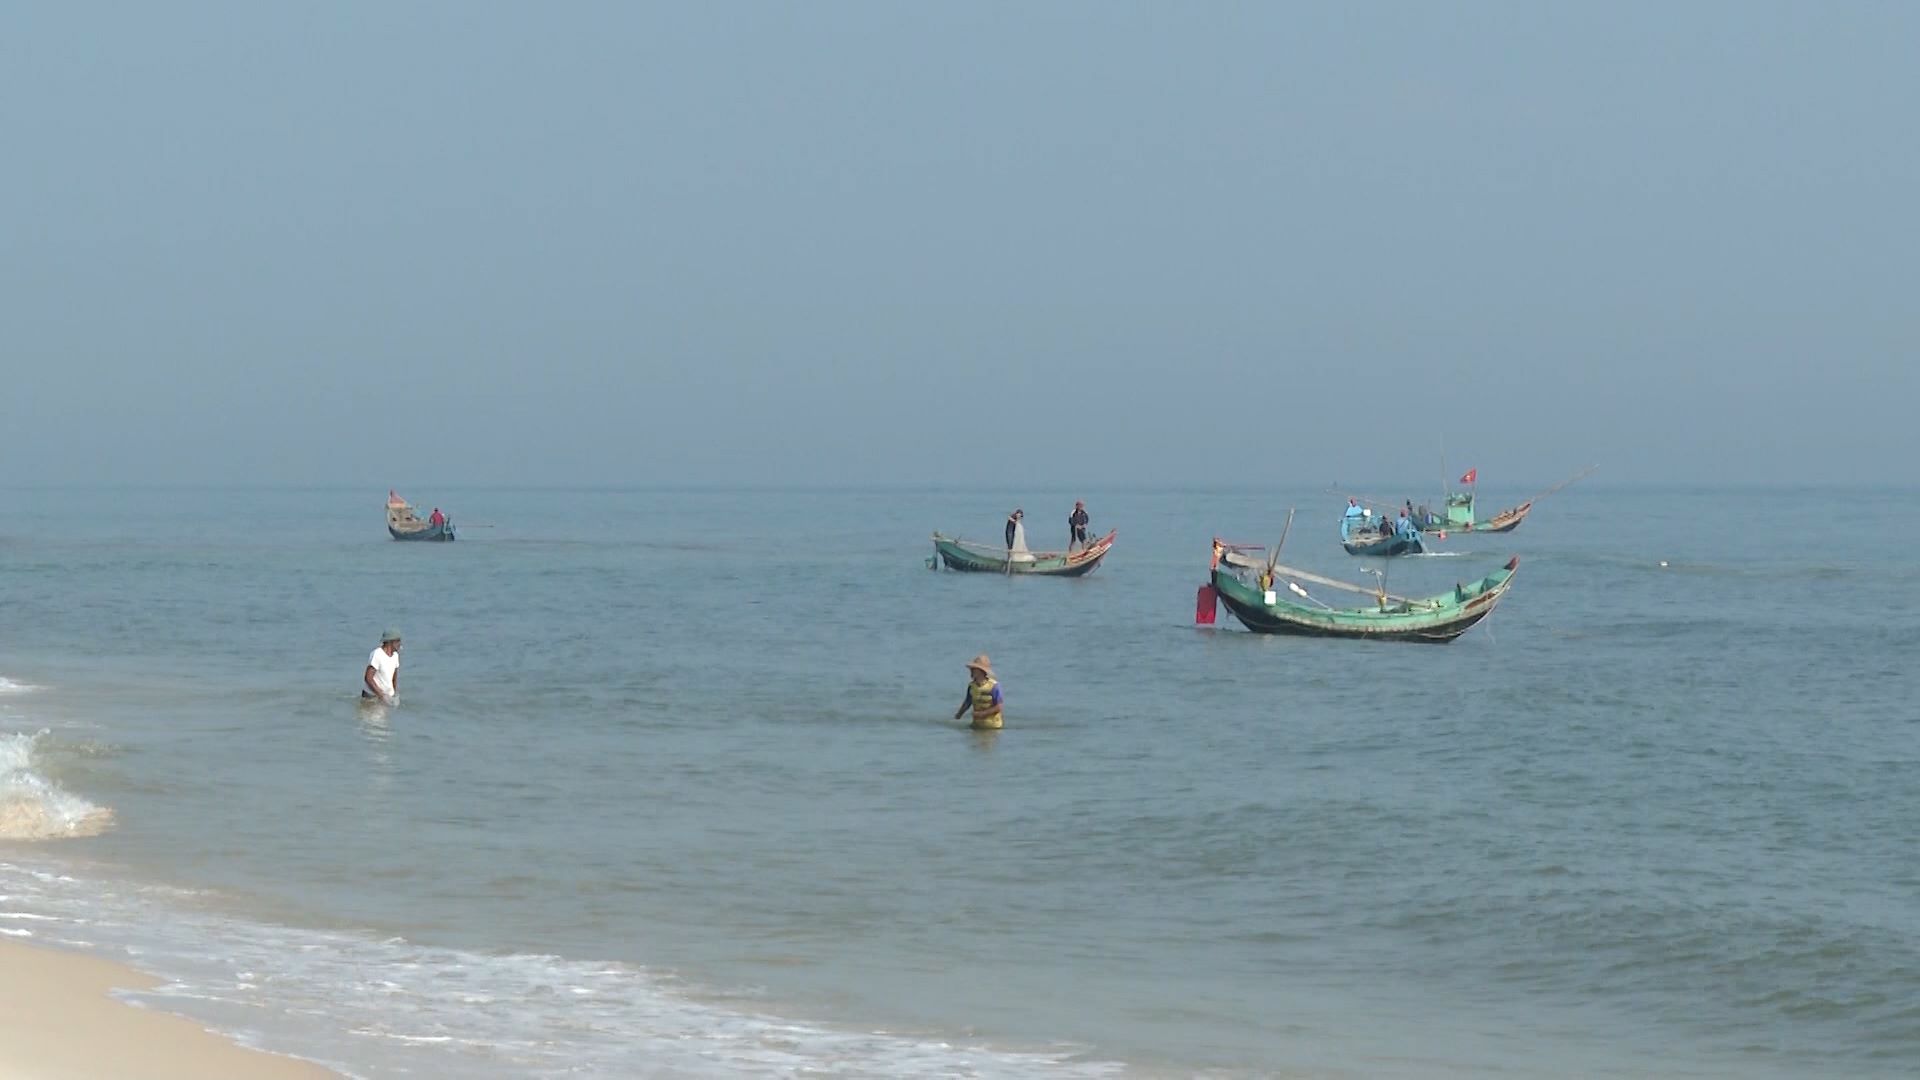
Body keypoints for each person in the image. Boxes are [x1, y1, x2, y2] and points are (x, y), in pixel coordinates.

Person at [953, 654, 1004, 730]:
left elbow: (999, 707)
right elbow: (967, 703)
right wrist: (958, 716)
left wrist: (982, 714)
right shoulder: (972, 686)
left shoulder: (994, 686)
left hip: (993, 727)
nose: (971, 671)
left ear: (981, 671)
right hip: (976, 726)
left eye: (973, 669)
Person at [363, 628, 402, 705]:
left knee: (384, 717)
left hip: (386, 699)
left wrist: (393, 695)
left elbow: (394, 678)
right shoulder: (377, 654)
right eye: (398, 641)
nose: (400, 644)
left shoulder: (395, 656)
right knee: (373, 717)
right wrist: (381, 695)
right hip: (372, 697)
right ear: (390, 642)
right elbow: (368, 678)